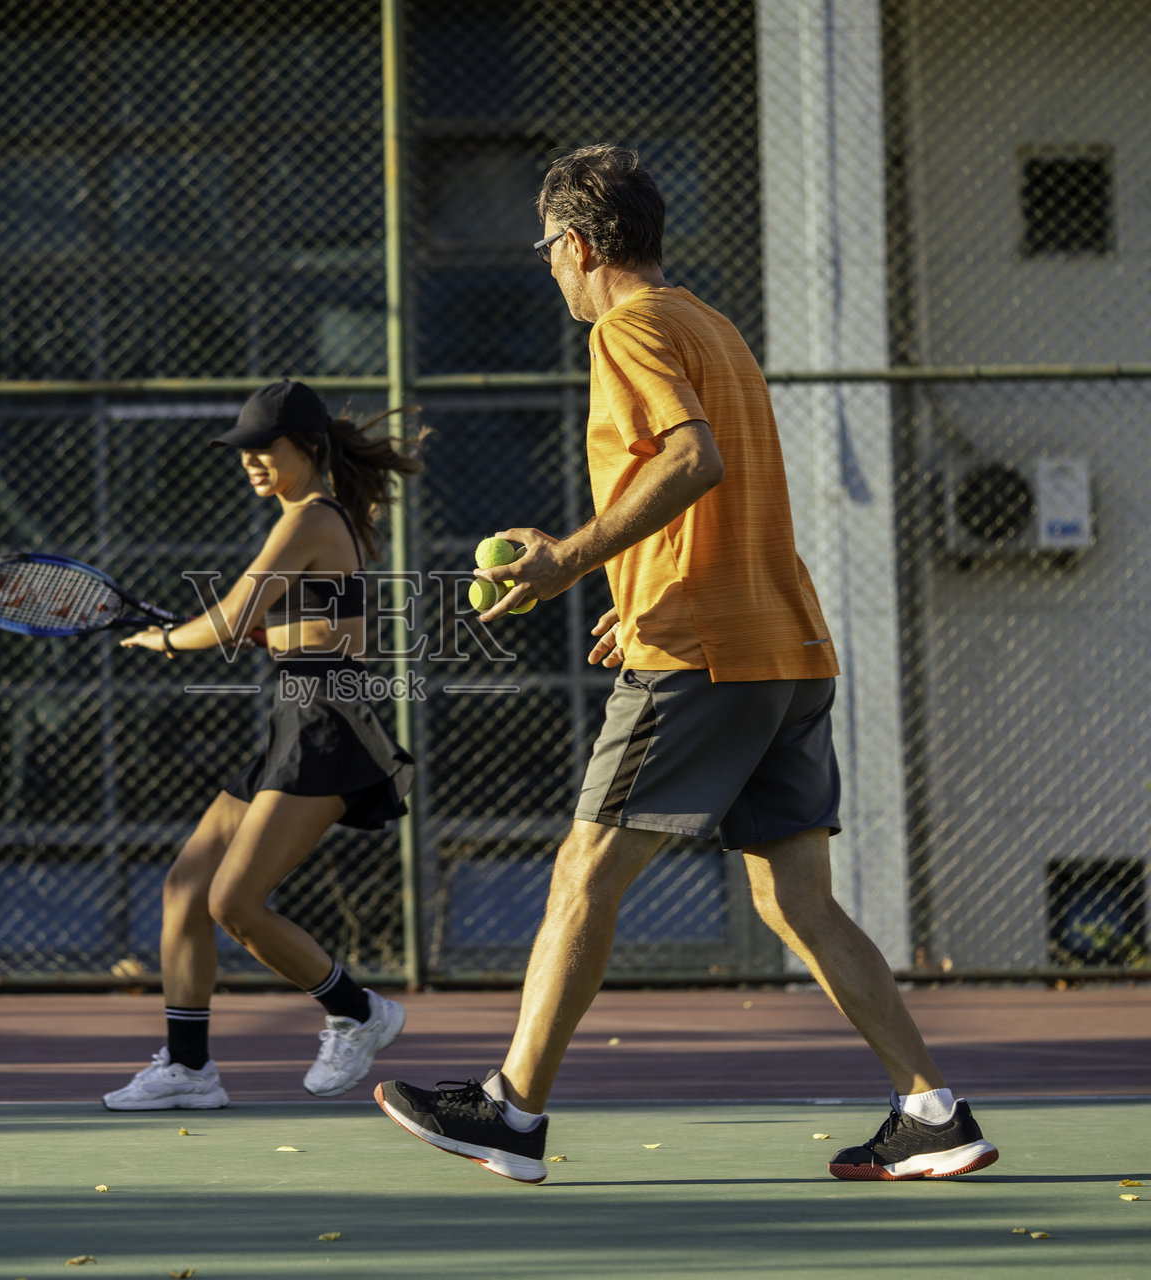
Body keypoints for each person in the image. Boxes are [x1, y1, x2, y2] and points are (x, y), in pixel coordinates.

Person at [374, 144, 998, 1183]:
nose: (548, 268)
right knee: (795, 901)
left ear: (575, 245)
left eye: (546, 250)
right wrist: (638, 590)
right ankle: (932, 1111)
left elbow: (689, 457)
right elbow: (705, 487)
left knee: (584, 869)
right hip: (783, 647)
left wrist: (571, 560)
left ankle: (512, 1111)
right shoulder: (709, 321)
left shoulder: (626, 328)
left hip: (703, 658)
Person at [105, 378, 419, 1111]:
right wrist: (265, 630)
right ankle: (188, 1070)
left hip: (326, 723)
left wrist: (167, 640)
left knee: (235, 902)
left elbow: (228, 617)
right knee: (186, 887)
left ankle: (359, 1011)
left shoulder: (308, 517)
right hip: (295, 712)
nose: (248, 460)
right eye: (240, 450)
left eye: (262, 447)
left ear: (306, 449)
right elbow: (304, 623)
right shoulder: (309, 521)